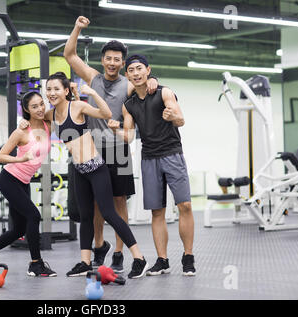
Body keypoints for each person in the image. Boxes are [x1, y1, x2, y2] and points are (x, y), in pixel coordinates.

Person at [63, 16, 158, 272]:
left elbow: (146, 85)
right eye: (109, 58)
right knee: (94, 205)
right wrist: (78, 28)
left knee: (118, 203)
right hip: (90, 151)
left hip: (118, 150)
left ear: (123, 63)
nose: (113, 63)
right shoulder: (92, 77)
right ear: (102, 59)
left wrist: (153, 80)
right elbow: (69, 54)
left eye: (118, 59)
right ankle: (99, 245)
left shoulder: (128, 83)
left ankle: (118, 251)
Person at [37, 72, 148, 278]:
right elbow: (34, 118)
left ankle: (139, 258)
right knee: (86, 217)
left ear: (66, 90)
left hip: (96, 168)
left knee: (109, 213)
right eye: (49, 89)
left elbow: (106, 114)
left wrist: (93, 93)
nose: (52, 93)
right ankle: (85, 262)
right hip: (79, 171)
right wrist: (25, 123)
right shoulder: (50, 115)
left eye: (56, 89)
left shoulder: (77, 107)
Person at [108, 54, 196, 276]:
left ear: (148, 70)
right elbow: (128, 137)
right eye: (131, 70)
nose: (136, 73)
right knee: (157, 212)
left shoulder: (164, 92)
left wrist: (171, 116)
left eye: (139, 69)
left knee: (184, 206)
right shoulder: (129, 105)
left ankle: (188, 257)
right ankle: (162, 260)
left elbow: (181, 120)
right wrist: (115, 129)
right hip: (148, 159)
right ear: (127, 75)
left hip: (172, 155)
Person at [0, 91, 57, 277]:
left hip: (24, 182)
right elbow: (0, 157)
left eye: (41, 104)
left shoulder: (48, 125)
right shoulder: (21, 131)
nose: (39, 108)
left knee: (19, 229)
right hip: (10, 179)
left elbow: (62, 108)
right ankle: (36, 264)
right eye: (34, 106)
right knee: (34, 216)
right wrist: (21, 159)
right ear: (26, 110)